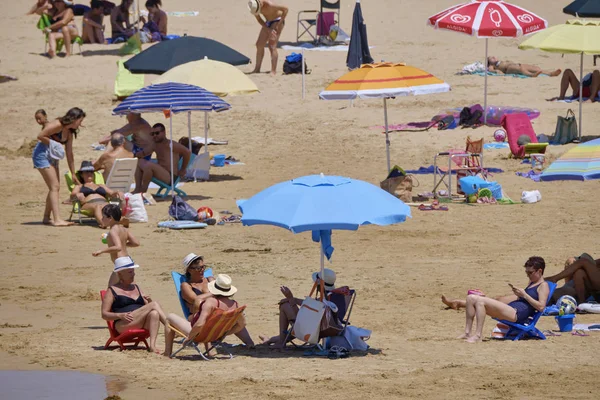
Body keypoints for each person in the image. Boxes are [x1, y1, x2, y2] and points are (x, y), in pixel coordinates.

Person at [449, 256, 549, 343]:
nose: (528, 275)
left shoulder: (543, 286)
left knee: (480, 301)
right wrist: (519, 294)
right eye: (526, 272)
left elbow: (541, 307)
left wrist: (525, 295)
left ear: (539, 271)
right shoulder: (532, 283)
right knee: (470, 298)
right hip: (511, 308)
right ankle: (467, 332)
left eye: (530, 272)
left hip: (517, 313)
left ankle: (478, 335)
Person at [164, 274, 251, 357]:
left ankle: (167, 353)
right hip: (216, 336)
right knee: (208, 322)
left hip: (200, 335)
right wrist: (223, 334)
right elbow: (242, 324)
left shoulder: (211, 303)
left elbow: (200, 324)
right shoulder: (235, 305)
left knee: (169, 317)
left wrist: (189, 338)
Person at [101, 256, 171, 354]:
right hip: (123, 323)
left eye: (133, 271)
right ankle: (170, 326)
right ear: (120, 273)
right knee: (154, 305)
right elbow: (104, 314)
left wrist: (149, 301)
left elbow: (147, 307)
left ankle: (152, 346)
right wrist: (119, 315)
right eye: (130, 272)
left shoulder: (136, 287)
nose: (133, 274)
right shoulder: (112, 290)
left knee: (154, 313)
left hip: (140, 320)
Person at [33, 107, 85, 226]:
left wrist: (72, 173)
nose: (81, 124)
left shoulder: (70, 132)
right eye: (80, 121)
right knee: (54, 186)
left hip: (53, 157)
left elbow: (69, 153)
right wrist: (53, 143)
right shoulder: (57, 124)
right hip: (42, 155)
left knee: (55, 187)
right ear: (74, 118)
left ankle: (47, 218)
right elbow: (40, 135)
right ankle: (57, 219)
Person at [259, 268, 337, 349]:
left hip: (311, 331)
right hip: (325, 329)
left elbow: (302, 319)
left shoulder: (322, 301)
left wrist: (290, 299)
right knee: (287, 306)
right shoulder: (334, 297)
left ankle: (281, 342)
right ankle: (269, 340)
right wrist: (294, 300)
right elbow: (313, 306)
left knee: (285, 305)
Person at [132, 123, 191, 194]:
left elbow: (187, 152)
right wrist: (132, 155)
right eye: (152, 134)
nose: (155, 136)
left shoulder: (171, 144)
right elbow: (143, 153)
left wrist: (183, 169)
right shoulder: (155, 144)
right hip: (160, 172)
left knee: (147, 165)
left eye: (157, 133)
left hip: (170, 176)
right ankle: (138, 189)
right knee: (139, 162)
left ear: (164, 132)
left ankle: (143, 191)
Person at [92, 204, 140, 286]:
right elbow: (136, 243)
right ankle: (144, 298)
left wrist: (101, 251)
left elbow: (118, 247)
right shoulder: (124, 229)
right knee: (128, 286)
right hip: (128, 260)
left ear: (110, 218)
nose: (102, 219)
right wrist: (124, 243)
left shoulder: (113, 231)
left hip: (121, 263)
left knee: (111, 288)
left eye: (103, 217)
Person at [70, 160, 124, 228]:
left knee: (110, 207)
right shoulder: (79, 186)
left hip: (104, 202)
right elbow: (72, 195)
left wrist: (117, 192)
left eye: (91, 172)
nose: (89, 173)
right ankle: (103, 223)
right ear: (82, 174)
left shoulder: (101, 185)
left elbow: (111, 193)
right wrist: (76, 195)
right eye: (87, 172)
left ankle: (120, 221)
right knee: (98, 206)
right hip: (89, 204)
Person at [248, 0, 288, 76]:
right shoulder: (253, 6)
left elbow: (285, 9)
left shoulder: (270, 4)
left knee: (272, 45)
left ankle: (273, 70)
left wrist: (279, 23)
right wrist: (268, 29)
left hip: (277, 20)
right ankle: (257, 68)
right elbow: (259, 19)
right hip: (268, 22)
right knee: (259, 44)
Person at [487, 56, 561, 77]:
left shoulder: (500, 61)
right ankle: (532, 75)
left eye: (494, 57)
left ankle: (551, 73)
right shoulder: (492, 65)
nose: (494, 57)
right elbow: (491, 70)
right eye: (492, 58)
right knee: (521, 69)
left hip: (517, 64)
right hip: (508, 69)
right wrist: (496, 71)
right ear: (489, 62)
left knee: (536, 68)